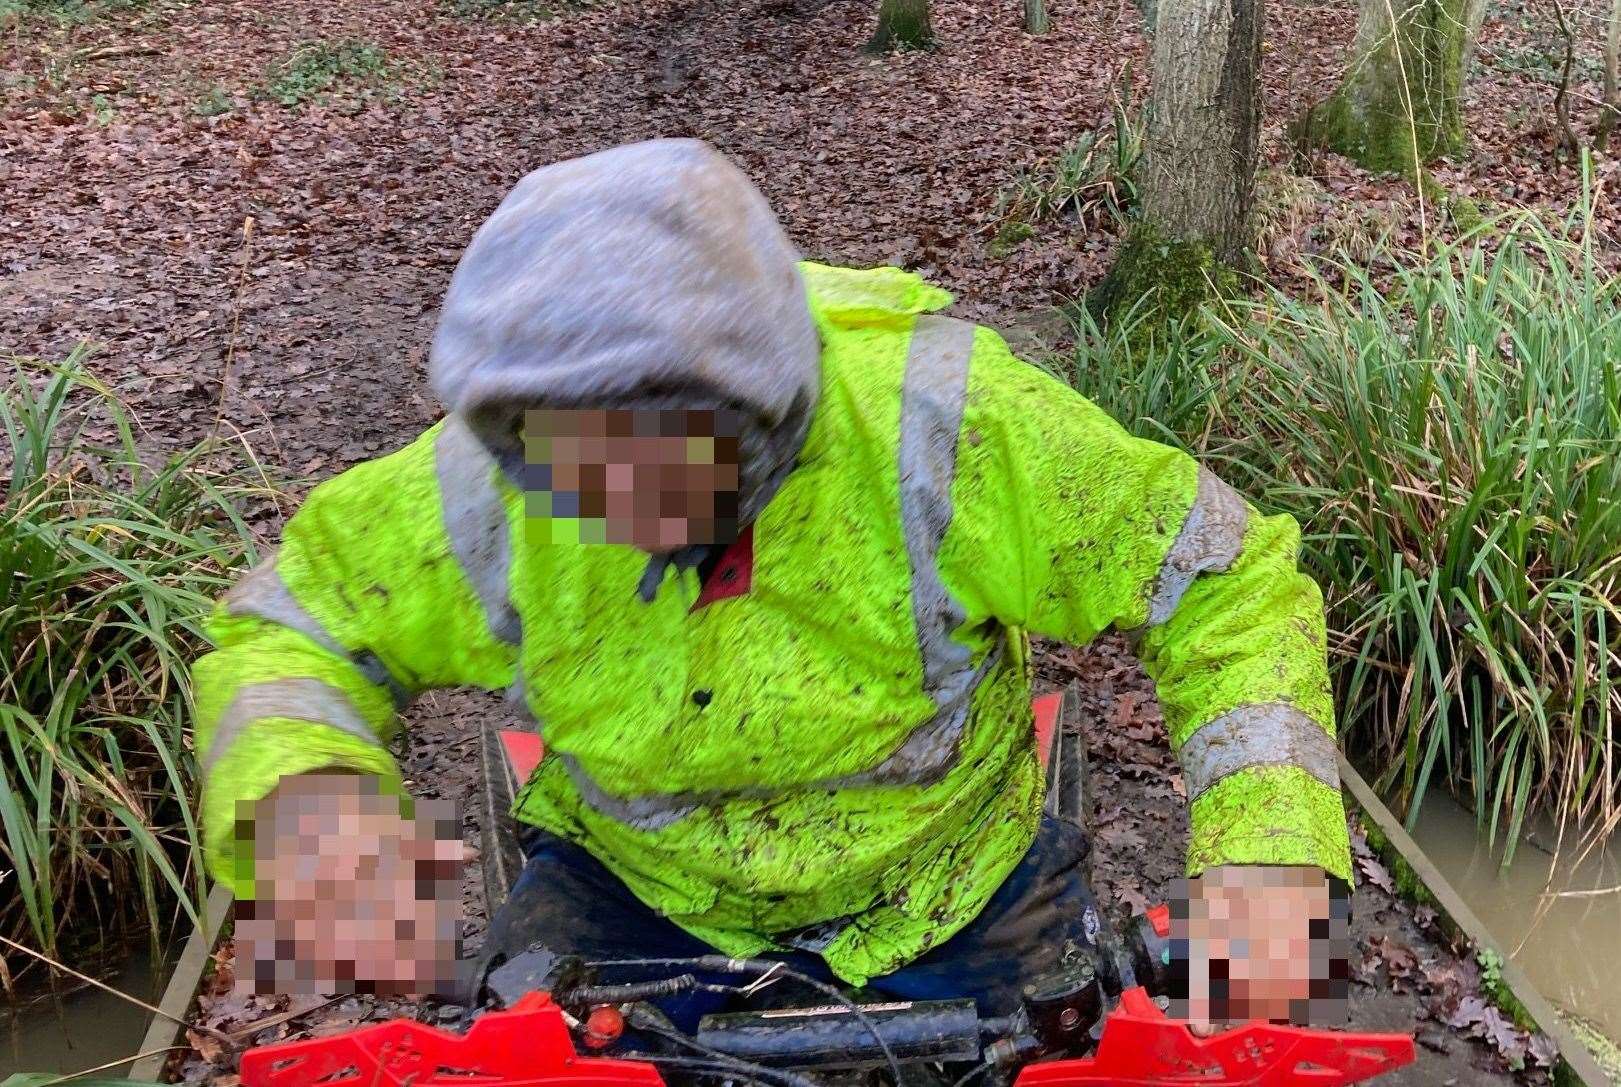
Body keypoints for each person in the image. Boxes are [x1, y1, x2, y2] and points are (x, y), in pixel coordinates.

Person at [196, 138, 1352, 1030]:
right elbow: (292, 626)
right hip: (638, 892)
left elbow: (1223, 577)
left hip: (949, 883)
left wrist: (1265, 853)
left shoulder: (943, 427)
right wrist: (307, 798)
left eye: (659, 442)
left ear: (759, 401)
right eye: (567, 455)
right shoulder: (488, 487)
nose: (608, 498)